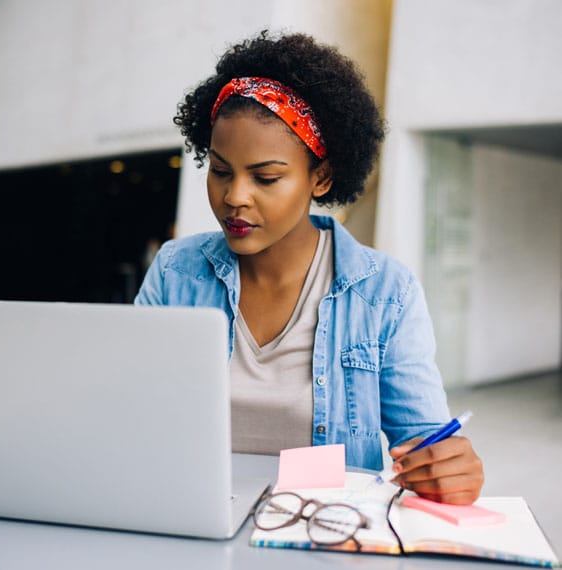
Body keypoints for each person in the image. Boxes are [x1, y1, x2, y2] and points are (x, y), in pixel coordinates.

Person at [135, 31, 483, 504]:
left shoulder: (384, 292)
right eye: (219, 170)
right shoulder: (176, 271)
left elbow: (425, 446)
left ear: (320, 178)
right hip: (188, 511)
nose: (235, 196)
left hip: (322, 529)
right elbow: (132, 411)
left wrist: (447, 468)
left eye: (266, 177)